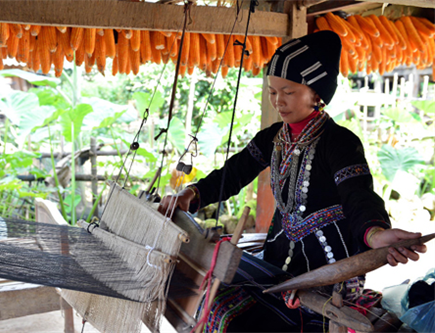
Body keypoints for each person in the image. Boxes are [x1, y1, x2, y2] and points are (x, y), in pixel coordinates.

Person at [159, 30, 427, 332]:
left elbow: (358, 195)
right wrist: (191, 195)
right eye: (273, 92)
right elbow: (234, 173)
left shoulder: (339, 142)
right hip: (279, 258)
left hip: (327, 267)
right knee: (215, 303)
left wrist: (375, 234)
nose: (278, 101)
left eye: (288, 92)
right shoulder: (274, 137)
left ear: (316, 94)